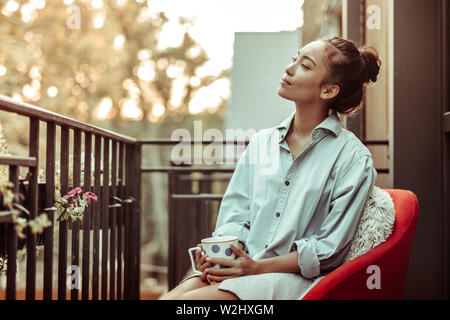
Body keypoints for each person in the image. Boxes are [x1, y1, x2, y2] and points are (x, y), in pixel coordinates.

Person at [159, 36, 381, 300]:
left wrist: (256, 268)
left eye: (305, 66)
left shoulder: (354, 159)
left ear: (328, 91)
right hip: (243, 267)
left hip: (295, 281)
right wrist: (223, 254)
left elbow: (330, 249)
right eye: (294, 59)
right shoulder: (260, 143)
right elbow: (236, 213)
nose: (289, 68)